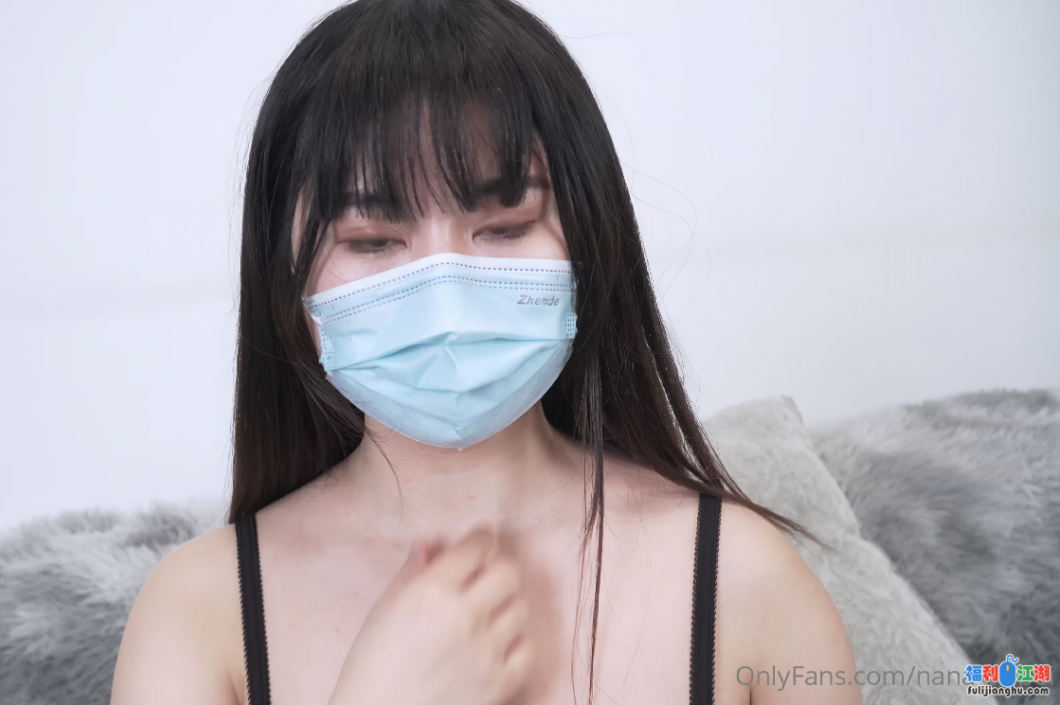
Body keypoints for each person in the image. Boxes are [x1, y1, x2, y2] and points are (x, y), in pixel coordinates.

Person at [110, 0, 860, 703]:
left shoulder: (743, 579)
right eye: (372, 240)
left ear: (590, 237)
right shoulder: (198, 613)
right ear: (286, 275)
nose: (445, 296)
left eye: (505, 226)